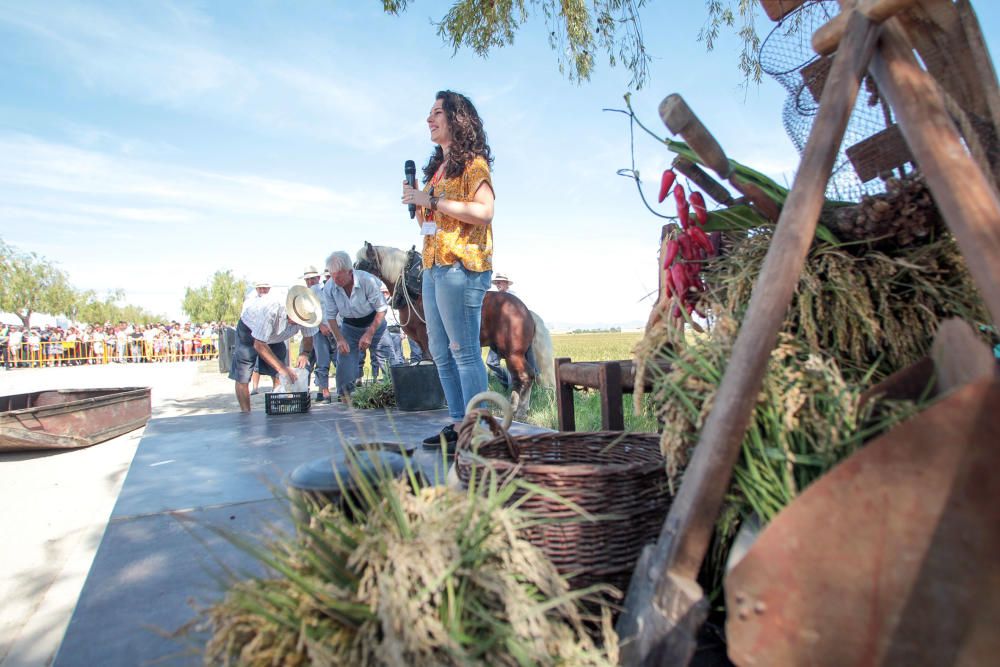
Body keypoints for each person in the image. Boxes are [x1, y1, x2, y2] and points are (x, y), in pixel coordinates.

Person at [401, 90, 495, 448]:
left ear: (457, 119)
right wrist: (419, 202)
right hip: (432, 266)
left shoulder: (474, 164)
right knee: (439, 350)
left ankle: (480, 430)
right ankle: (458, 424)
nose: (429, 118)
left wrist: (432, 200)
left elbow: (485, 211)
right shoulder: (435, 172)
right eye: (429, 113)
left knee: (464, 350)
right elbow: (429, 224)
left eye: (437, 112)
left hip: (461, 266)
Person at [229, 285, 321, 413]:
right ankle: (246, 415)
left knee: (279, 374)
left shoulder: (307, 313)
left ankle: (278, 408)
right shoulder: (271, 308)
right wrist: (282, 368)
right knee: (243, 375)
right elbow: (259, 344)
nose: (297, 323)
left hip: (276, 336)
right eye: (295, 319)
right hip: (249, 330)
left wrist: (304, 353)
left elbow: (308, 337)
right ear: (290, 310)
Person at [321, 251, 388, 399]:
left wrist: (370, 333)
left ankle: (397, 388)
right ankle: (345, 394)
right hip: (349, 325)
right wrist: (339, 339)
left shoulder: (367, 281)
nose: (335, 280)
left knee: (387, 357)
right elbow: (330, 317)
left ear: (350, 272)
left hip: (374, 322)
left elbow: (382, 309)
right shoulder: (329, 288)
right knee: (345, 356)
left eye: (338, 276)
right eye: (332, 276)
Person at [302, 265, 336, 403]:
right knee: (322, 362)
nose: (310, 282)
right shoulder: (312, 292)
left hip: (335, 329)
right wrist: (320, 325)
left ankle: (340, 391)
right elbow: (309, 314)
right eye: (307, 279)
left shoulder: (334, 290)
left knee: (339, 361)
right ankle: (324, 391)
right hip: (318, 331)